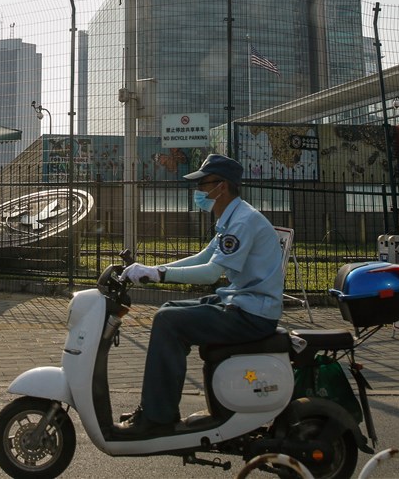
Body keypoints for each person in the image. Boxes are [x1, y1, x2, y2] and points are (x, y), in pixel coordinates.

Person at [115, 154, 284, 437]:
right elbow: (203, 257)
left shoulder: (242, 222)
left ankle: (157, 417)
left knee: (169, 321)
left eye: (203, 184)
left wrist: (159, 274)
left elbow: (210, 273)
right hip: (240, 302)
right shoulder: (233, 217)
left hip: (253, 313)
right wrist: (154, 270)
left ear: (221, 187)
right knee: (169, 309)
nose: (198, 191)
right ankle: (158, 409)